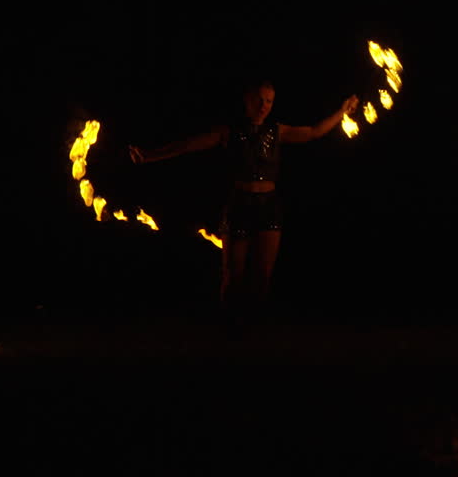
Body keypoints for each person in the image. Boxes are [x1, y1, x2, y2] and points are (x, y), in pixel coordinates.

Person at [128, 77, 358, 336]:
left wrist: (342, 111)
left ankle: (256, 332)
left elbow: (314, 132)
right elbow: (188, 145)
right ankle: (227, 332)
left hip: (269, 206)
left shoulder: (277, 130)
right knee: (232, 274)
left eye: (269, 101)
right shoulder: (230, 132)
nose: (264, 105)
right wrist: (151, 155)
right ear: (247, 101)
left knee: (263, 276)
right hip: (239, 205)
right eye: (259, 100)